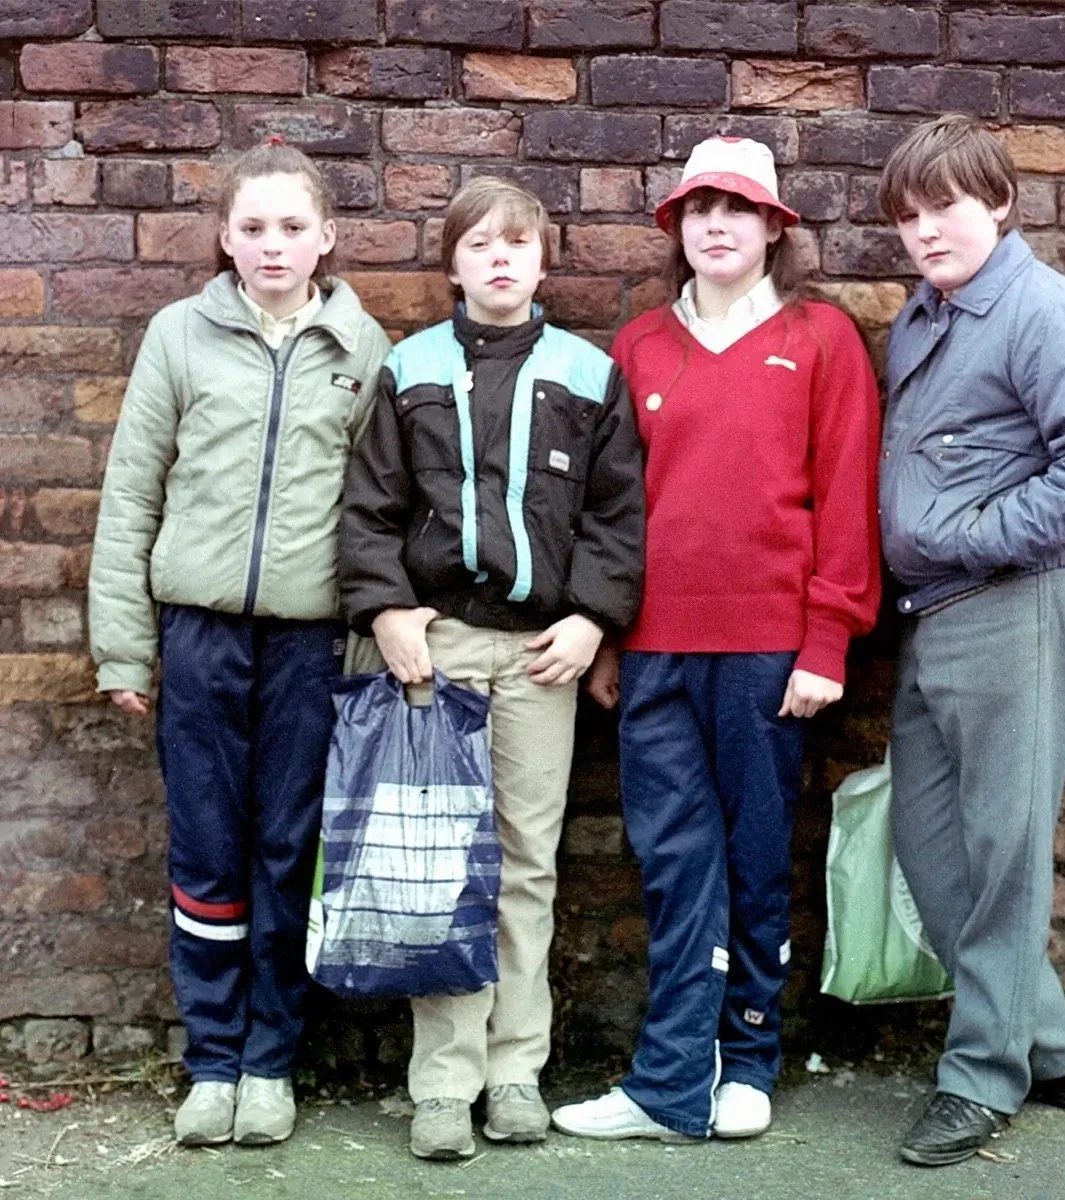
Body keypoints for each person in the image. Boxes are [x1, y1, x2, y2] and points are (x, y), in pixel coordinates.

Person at [551, 136, 882, 1143]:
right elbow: (609, 511)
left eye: (739, 208)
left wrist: (827, 641)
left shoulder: (821, 339)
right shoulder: (641, 345)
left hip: (771, 654)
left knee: (753, 854)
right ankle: (670, 1080)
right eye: (700, 209)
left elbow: (847, 500)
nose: (718, 224)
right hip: (655, 650)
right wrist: (608, 637)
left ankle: (748, 1064)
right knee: (672, 857)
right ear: (677, 226)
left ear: (775, 225)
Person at [88, 140, 391, 1148]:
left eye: (293, 227)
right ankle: (212, 1058)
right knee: (208, 844)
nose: (273, 246)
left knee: (286, 848)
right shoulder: (181, 336)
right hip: (201, 636)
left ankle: (271, 1060)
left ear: (327, 238)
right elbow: (132, 492)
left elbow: (375, 510)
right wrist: (125, 650)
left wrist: (368, 635)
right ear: (224, 239)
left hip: (310, 647)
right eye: (253, 228)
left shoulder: (362, 349)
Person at [338, 175, 645, 1161]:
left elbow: (616, 514)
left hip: (542, 654)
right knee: (439, 867)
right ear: (454, 265)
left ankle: (515, 1070)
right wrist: (386, 608)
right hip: (442, 643)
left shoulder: (587, 375)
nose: (500, 259)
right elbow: (371, 505)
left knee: (525, 865)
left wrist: (596, 619)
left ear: (543, 262)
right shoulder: (411, 367)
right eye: (480, 245)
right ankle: (444, 1082)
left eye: (517, 244)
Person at [874, 114, 1065, 1166]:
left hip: (1015, 603)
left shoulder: (1043, 310)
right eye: (908, 215)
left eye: (944, 206)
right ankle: (1054, 1044)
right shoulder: (924, 318)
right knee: (932, 846)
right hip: (932, 617)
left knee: (1002, 851)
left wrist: (978, 539)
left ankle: (982, 1075)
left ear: (997, 201)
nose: (926, 231)